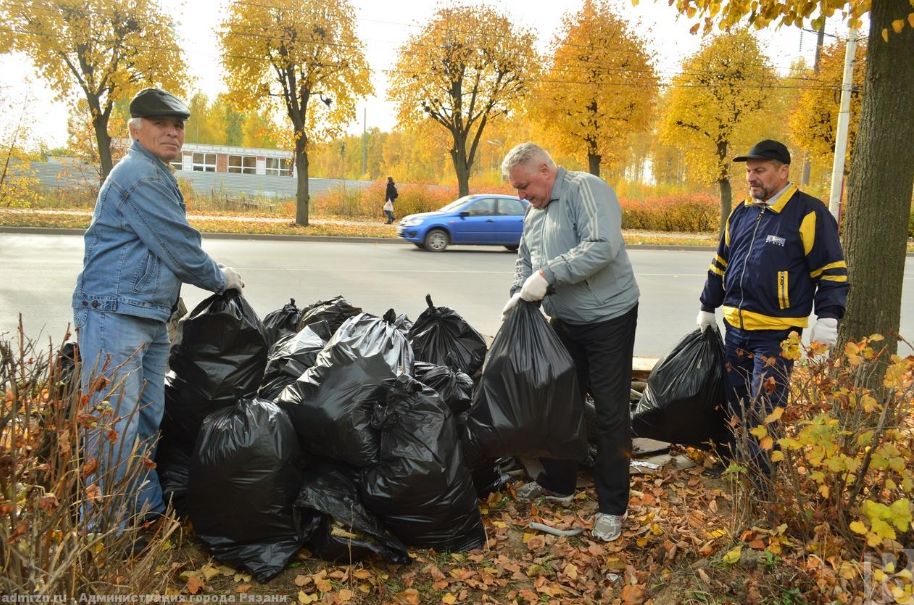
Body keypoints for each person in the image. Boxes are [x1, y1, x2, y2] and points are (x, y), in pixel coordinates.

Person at [71, 88, 244, 530]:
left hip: (146, 314)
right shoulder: (140, 176)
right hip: (115, 314)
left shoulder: (154, 172)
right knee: (113, 426)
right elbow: (179, 248)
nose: (172, 132)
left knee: (145, 419)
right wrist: (220, 277)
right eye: (160, 124)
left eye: (178, 125)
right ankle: (105, 532)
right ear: (136, 130)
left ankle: (142, 514)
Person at [500, 142, 640, 542]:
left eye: (524, 186)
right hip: (565, 321)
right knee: (560, 404)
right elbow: (525, 260)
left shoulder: (586, 189)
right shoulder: (534, 211)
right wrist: (518, 292)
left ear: (545, 170)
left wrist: (547, 275)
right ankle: (559, 485)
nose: (521, 195)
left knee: (611, 413)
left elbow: (602, 246)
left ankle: (612, 507)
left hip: (609, 318)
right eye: (516, 188)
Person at [697, 139, 849, 474]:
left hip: (778, 334)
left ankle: (760, 484)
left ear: (783, 171)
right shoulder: (741, 212)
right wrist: (708, 305)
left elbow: (832, 272)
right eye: (749, 171)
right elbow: (720, 263)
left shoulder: (808, 213)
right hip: (736, 330)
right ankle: (734, 469)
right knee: (734, 404)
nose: (752, 177)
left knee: (765, 410)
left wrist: (828, 318)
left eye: (760, 170)